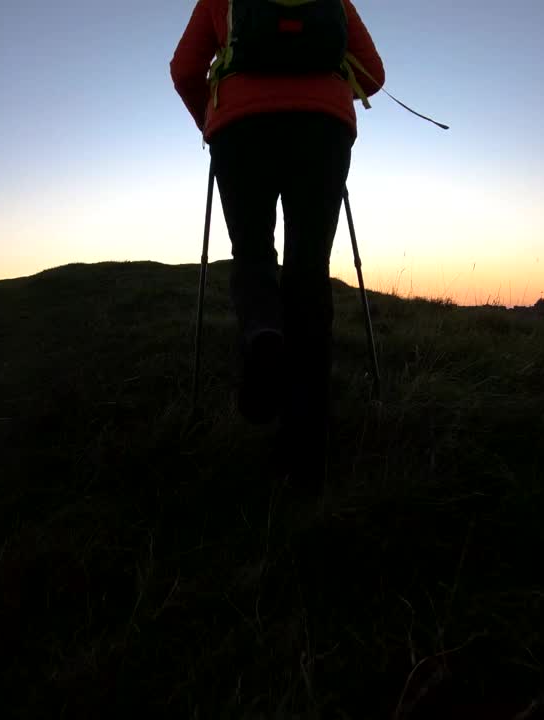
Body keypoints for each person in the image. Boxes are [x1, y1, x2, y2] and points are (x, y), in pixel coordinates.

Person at [171, 0, 385, 487]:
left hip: (241, 129)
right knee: (309, 270)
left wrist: (211, 115)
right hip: (323, 130)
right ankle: (305, 454)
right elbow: (373, 75)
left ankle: (263, 335)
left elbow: (184, 69)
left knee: (251, 251)